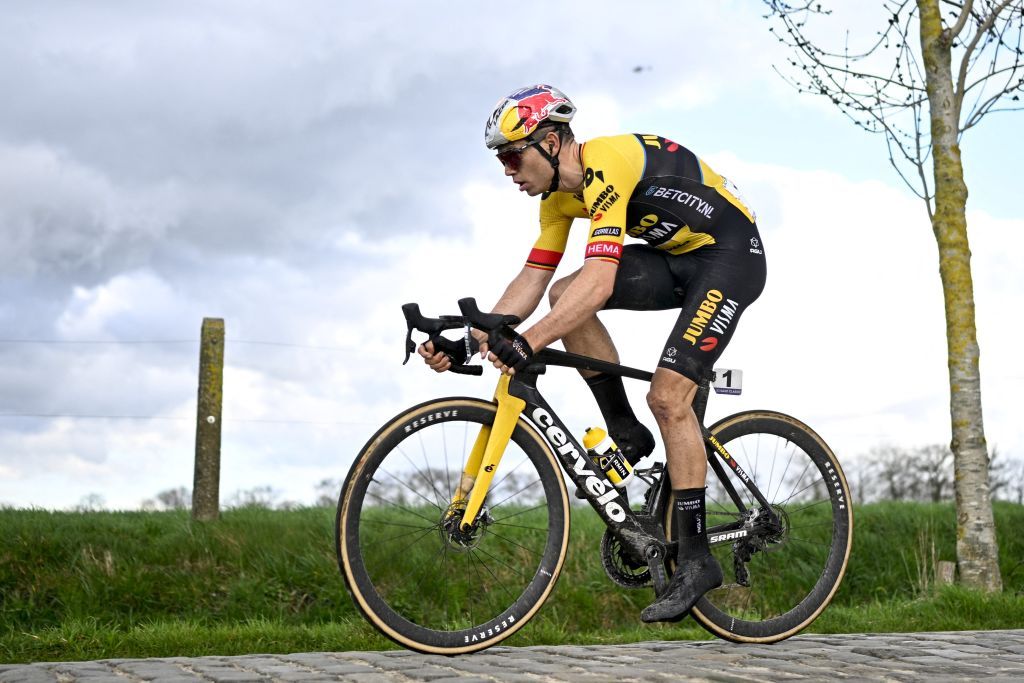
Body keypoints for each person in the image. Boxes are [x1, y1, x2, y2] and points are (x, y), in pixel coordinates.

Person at [418, 84, 766, 623]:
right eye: (501, 160)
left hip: (730, 256)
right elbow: (535, 280)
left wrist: (529, 341)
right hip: (675, 260)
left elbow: (601, 282)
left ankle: (697, 561)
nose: (508, 170)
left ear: (553, 142)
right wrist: (472, 335)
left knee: (670, 397)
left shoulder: (607, 163)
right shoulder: (557, 199)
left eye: (513, 155)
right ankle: (625, 432)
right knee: (563, 296)